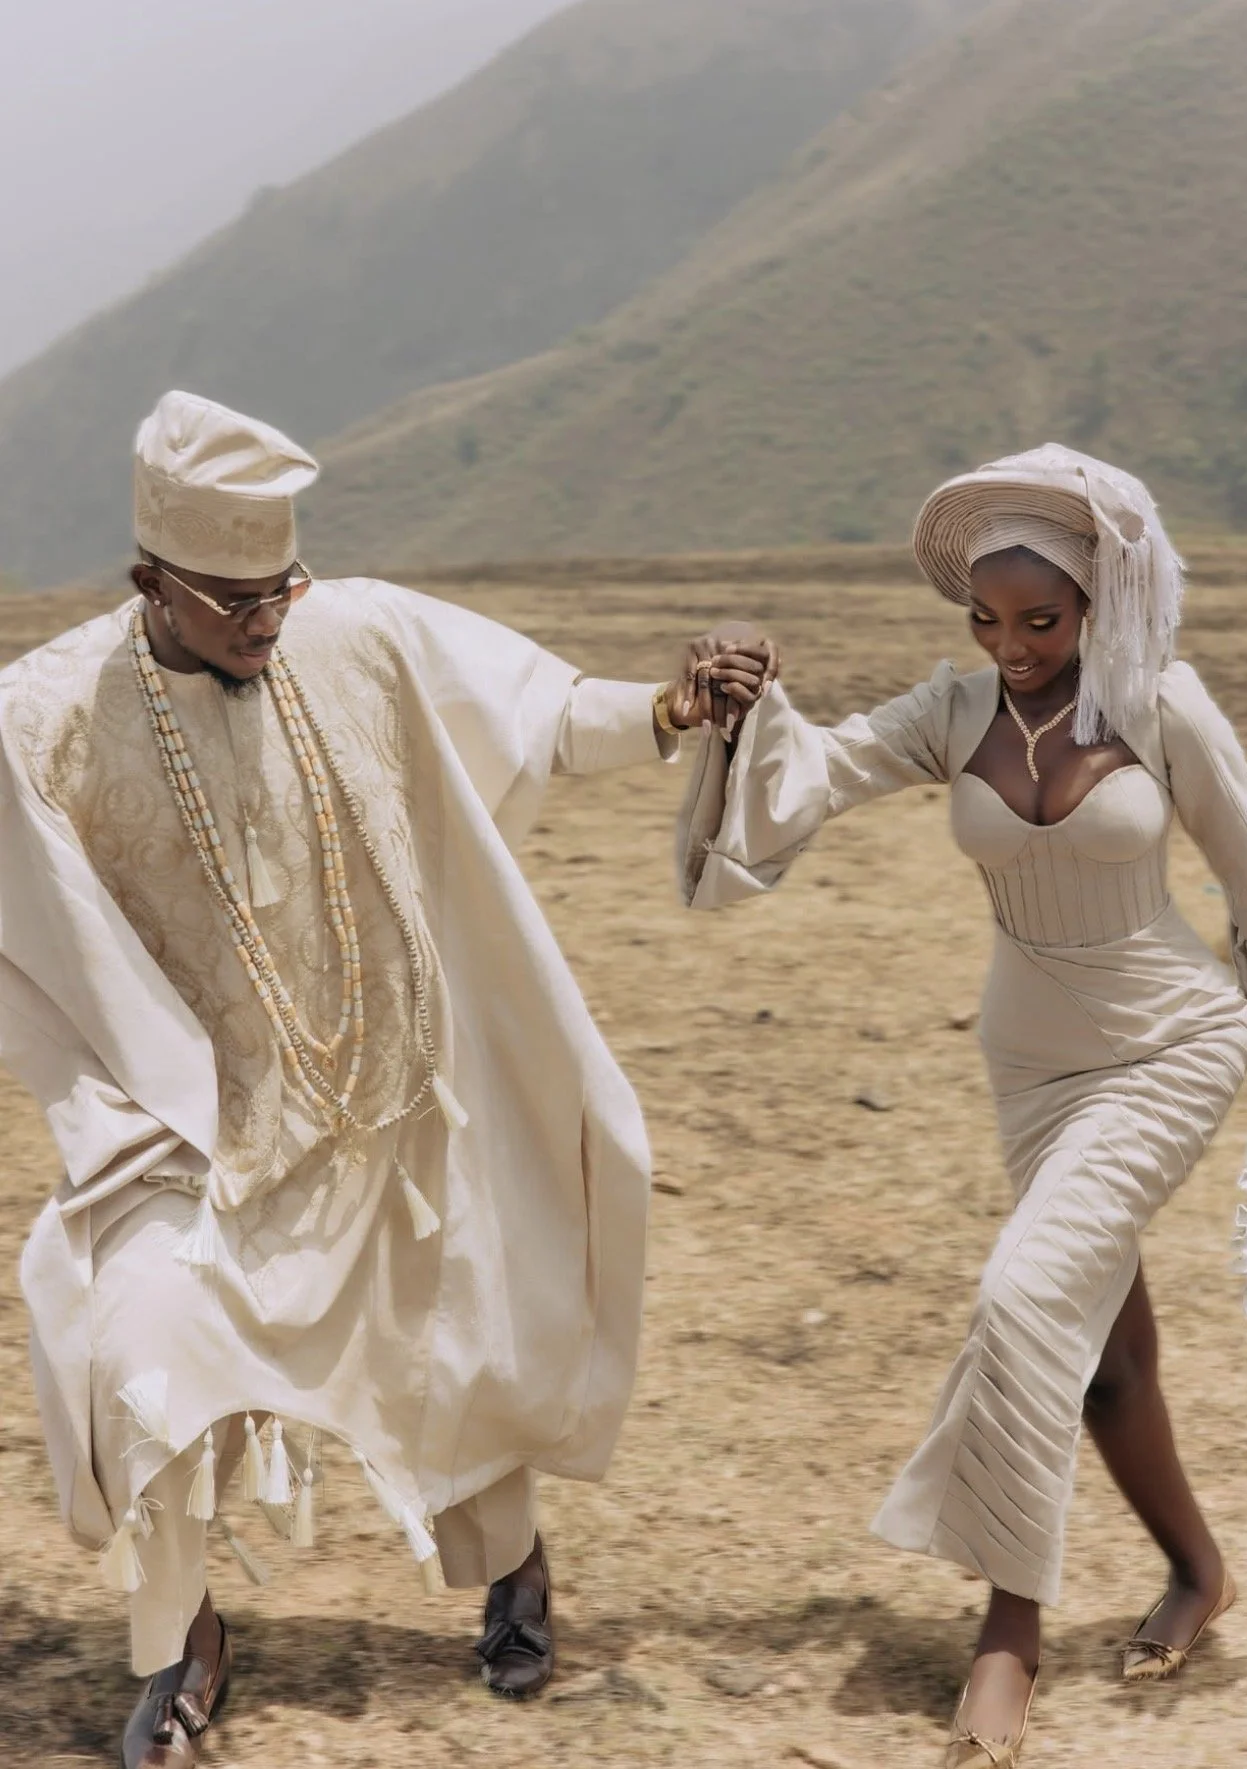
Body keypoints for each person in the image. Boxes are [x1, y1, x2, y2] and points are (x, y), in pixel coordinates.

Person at [0, 389, 773, 1768]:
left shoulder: (350, 630)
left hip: (395, 1098)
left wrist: (668, 704)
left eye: (279, 585)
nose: (265, 618)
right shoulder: (53, 709)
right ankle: (183, 1640)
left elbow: (532, 713)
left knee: (466, 1336)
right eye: (232, 597)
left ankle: (512, 1568)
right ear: (147, 582)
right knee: (140, 1354)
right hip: (202, 1139)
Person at [677, 443, 1247, 1767]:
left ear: (1098, 604)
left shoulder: (1162, 706)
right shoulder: (952, 713)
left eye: (1039, 622)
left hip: (1163, 1042)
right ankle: (1197, 1572)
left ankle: (1006, 1630)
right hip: (1029, 1063)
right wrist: (745, 691)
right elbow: (803, 778)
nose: (1010, 650)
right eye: (986, 622)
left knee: (1020, 1299)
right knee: (1102, 1358)